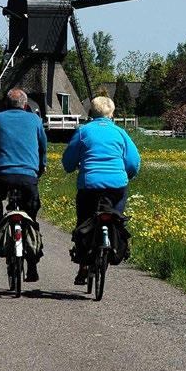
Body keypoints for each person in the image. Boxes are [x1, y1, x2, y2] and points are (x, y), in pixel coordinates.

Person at [62, 95, 140, 285]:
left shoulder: (83, 132)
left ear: (91, 113)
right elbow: (133, 162)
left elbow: (69, 162)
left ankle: (83, 265)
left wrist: (73, 167)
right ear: (112, 114)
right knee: (116, 217)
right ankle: (115, 240)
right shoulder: (121, 133)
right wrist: (126, 175)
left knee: (84, 221)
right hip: (117, 186)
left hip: (90, 185)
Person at [0, 88, 47, 282]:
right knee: (31, 218)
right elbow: (43, 147)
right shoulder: (35, 120)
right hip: (28, 178)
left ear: (6, 104)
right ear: (26, 105)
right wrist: (40, 168)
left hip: (3, 176)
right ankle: (32, 264)